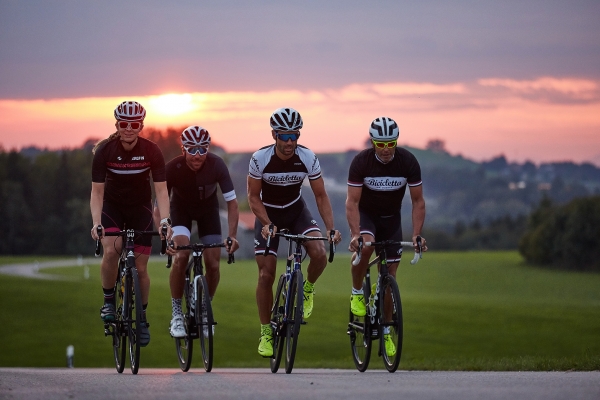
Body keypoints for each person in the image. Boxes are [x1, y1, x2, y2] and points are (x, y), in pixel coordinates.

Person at [248, 107, 342, 357]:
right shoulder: (260, 158)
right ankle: (266, 331)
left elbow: (321, 196)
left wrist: (331, 228)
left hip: (296, 211)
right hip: (268, 214)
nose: (289, 143)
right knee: (266, 275)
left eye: (294, 136)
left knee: (319, 253)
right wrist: (266, 222)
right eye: (284, 136)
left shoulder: (308, 157)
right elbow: (252, 197)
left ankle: (307, 288)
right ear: (274, 135)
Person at [90, 100, 173, 347]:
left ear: (141, 126)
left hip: (140, 209)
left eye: (134, 124)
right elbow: (96, 193)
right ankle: (108, 301)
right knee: (112, 249)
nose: (128, 128)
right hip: (112, 208)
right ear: (117, 124)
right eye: (124, 123)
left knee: (141, 267)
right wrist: (96, 223)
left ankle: (142, 318)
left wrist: (166, 220)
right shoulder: (105, 150)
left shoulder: (152, 150)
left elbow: (161, 191)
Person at [346, 116, 428, 357]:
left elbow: (418, 201)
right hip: (367, 216)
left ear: (396, 142)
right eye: (380, 144)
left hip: (392, 220)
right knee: (367, 246)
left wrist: (416, 235)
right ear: (372, 143)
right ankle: (357, 292)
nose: (385, 149)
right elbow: (352, 202)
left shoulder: (407, 162)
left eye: (390, 143)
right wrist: (355, 234)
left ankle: (386, 332)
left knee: (390, 277)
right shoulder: (361, 162)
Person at [155, 125, 240, 338]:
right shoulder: (172, 168)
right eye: (192, 149)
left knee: (213, 263)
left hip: (208, 211)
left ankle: (204, 309)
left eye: (203, 149)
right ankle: (176, 313)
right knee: (181, 254)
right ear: (183, 149)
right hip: (180, 211)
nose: (197, 155)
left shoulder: (217, 165)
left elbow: (233, 204)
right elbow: (159, 207)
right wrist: (165, 236)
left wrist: (232, 236)